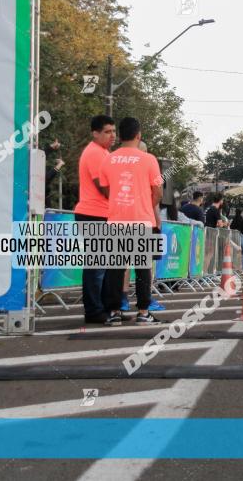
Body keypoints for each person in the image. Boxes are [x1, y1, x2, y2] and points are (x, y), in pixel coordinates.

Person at [98, 117, 165, 326]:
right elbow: (158, 191)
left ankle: (114, 312)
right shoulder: (148, 159)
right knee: (142, 267)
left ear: (119, 135)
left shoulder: (108, 159)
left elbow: (105, 188)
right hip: (142, 220)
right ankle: (144, 312)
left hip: (116, 220)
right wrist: (146, 204)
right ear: (139, 135)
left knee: (115, 268)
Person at [74, 114, 115, 324]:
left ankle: (104, 308)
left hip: (100, 214)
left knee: (103, 266)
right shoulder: (96, 154)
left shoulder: (103, 152)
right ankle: (94, 311)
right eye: (107, 132)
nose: (113, 136)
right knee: (97, 267)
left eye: (114, 131)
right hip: (93, 213)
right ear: (95, 133)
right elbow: (104, 187)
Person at [230, 207, 243, 271]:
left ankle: (235, 267)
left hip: (233, 236)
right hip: (240, 236)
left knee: (235, 252)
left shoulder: (234, 219)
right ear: (241, 212)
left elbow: (231, 227)